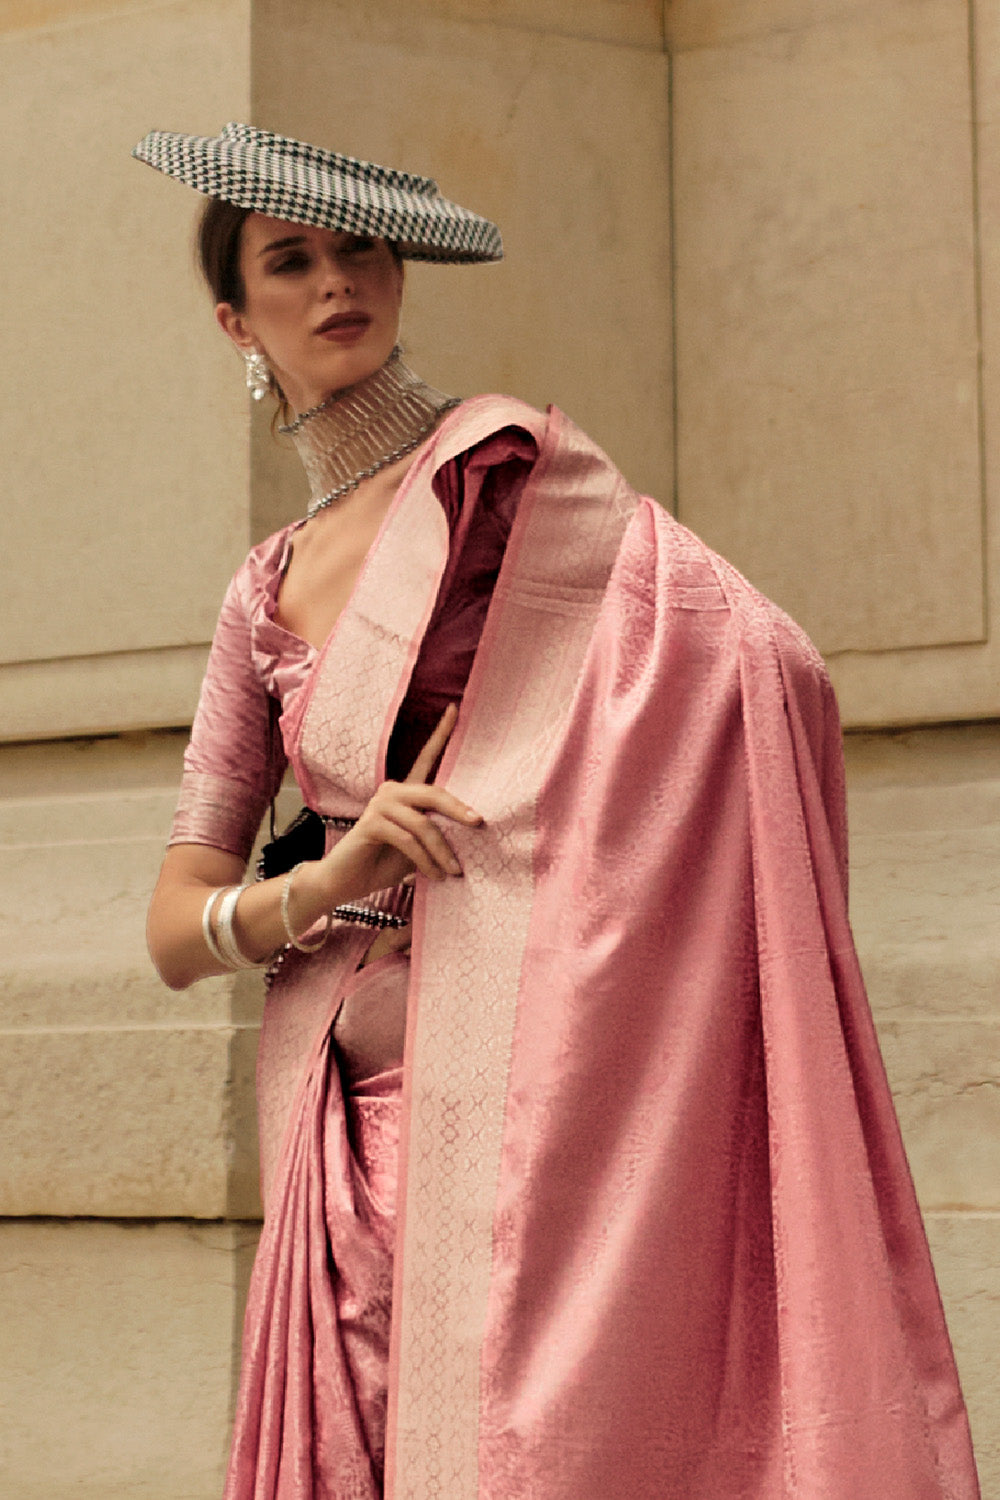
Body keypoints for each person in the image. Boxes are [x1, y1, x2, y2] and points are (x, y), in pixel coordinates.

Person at [134, 124, 980, 1499]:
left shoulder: (512, 486)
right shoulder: (262, 590)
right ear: (236, 319)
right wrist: (329, 876)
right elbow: (177, 929)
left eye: (361, 249)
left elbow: (764, 666)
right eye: (291, 260)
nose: (337, 281)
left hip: (540, 1070)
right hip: (339, 1096)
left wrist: (573, 825)